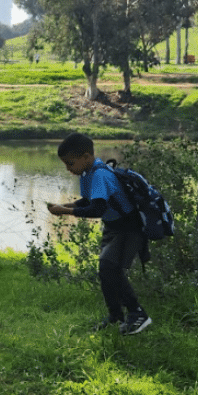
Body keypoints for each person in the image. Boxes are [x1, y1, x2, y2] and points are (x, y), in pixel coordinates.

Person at [46, 132, 151, 334]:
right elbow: (88, 201)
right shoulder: (88, 174)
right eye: (66, 165)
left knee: (110, 266)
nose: (68, 169)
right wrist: (64, 205)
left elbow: (97, 210)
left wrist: (66, 211)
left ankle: (139, 314)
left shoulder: (101, 174)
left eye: (70, 163)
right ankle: (116, 316)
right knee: (106, 270)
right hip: (113, 227)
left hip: (129, 227)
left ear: (86, 157)